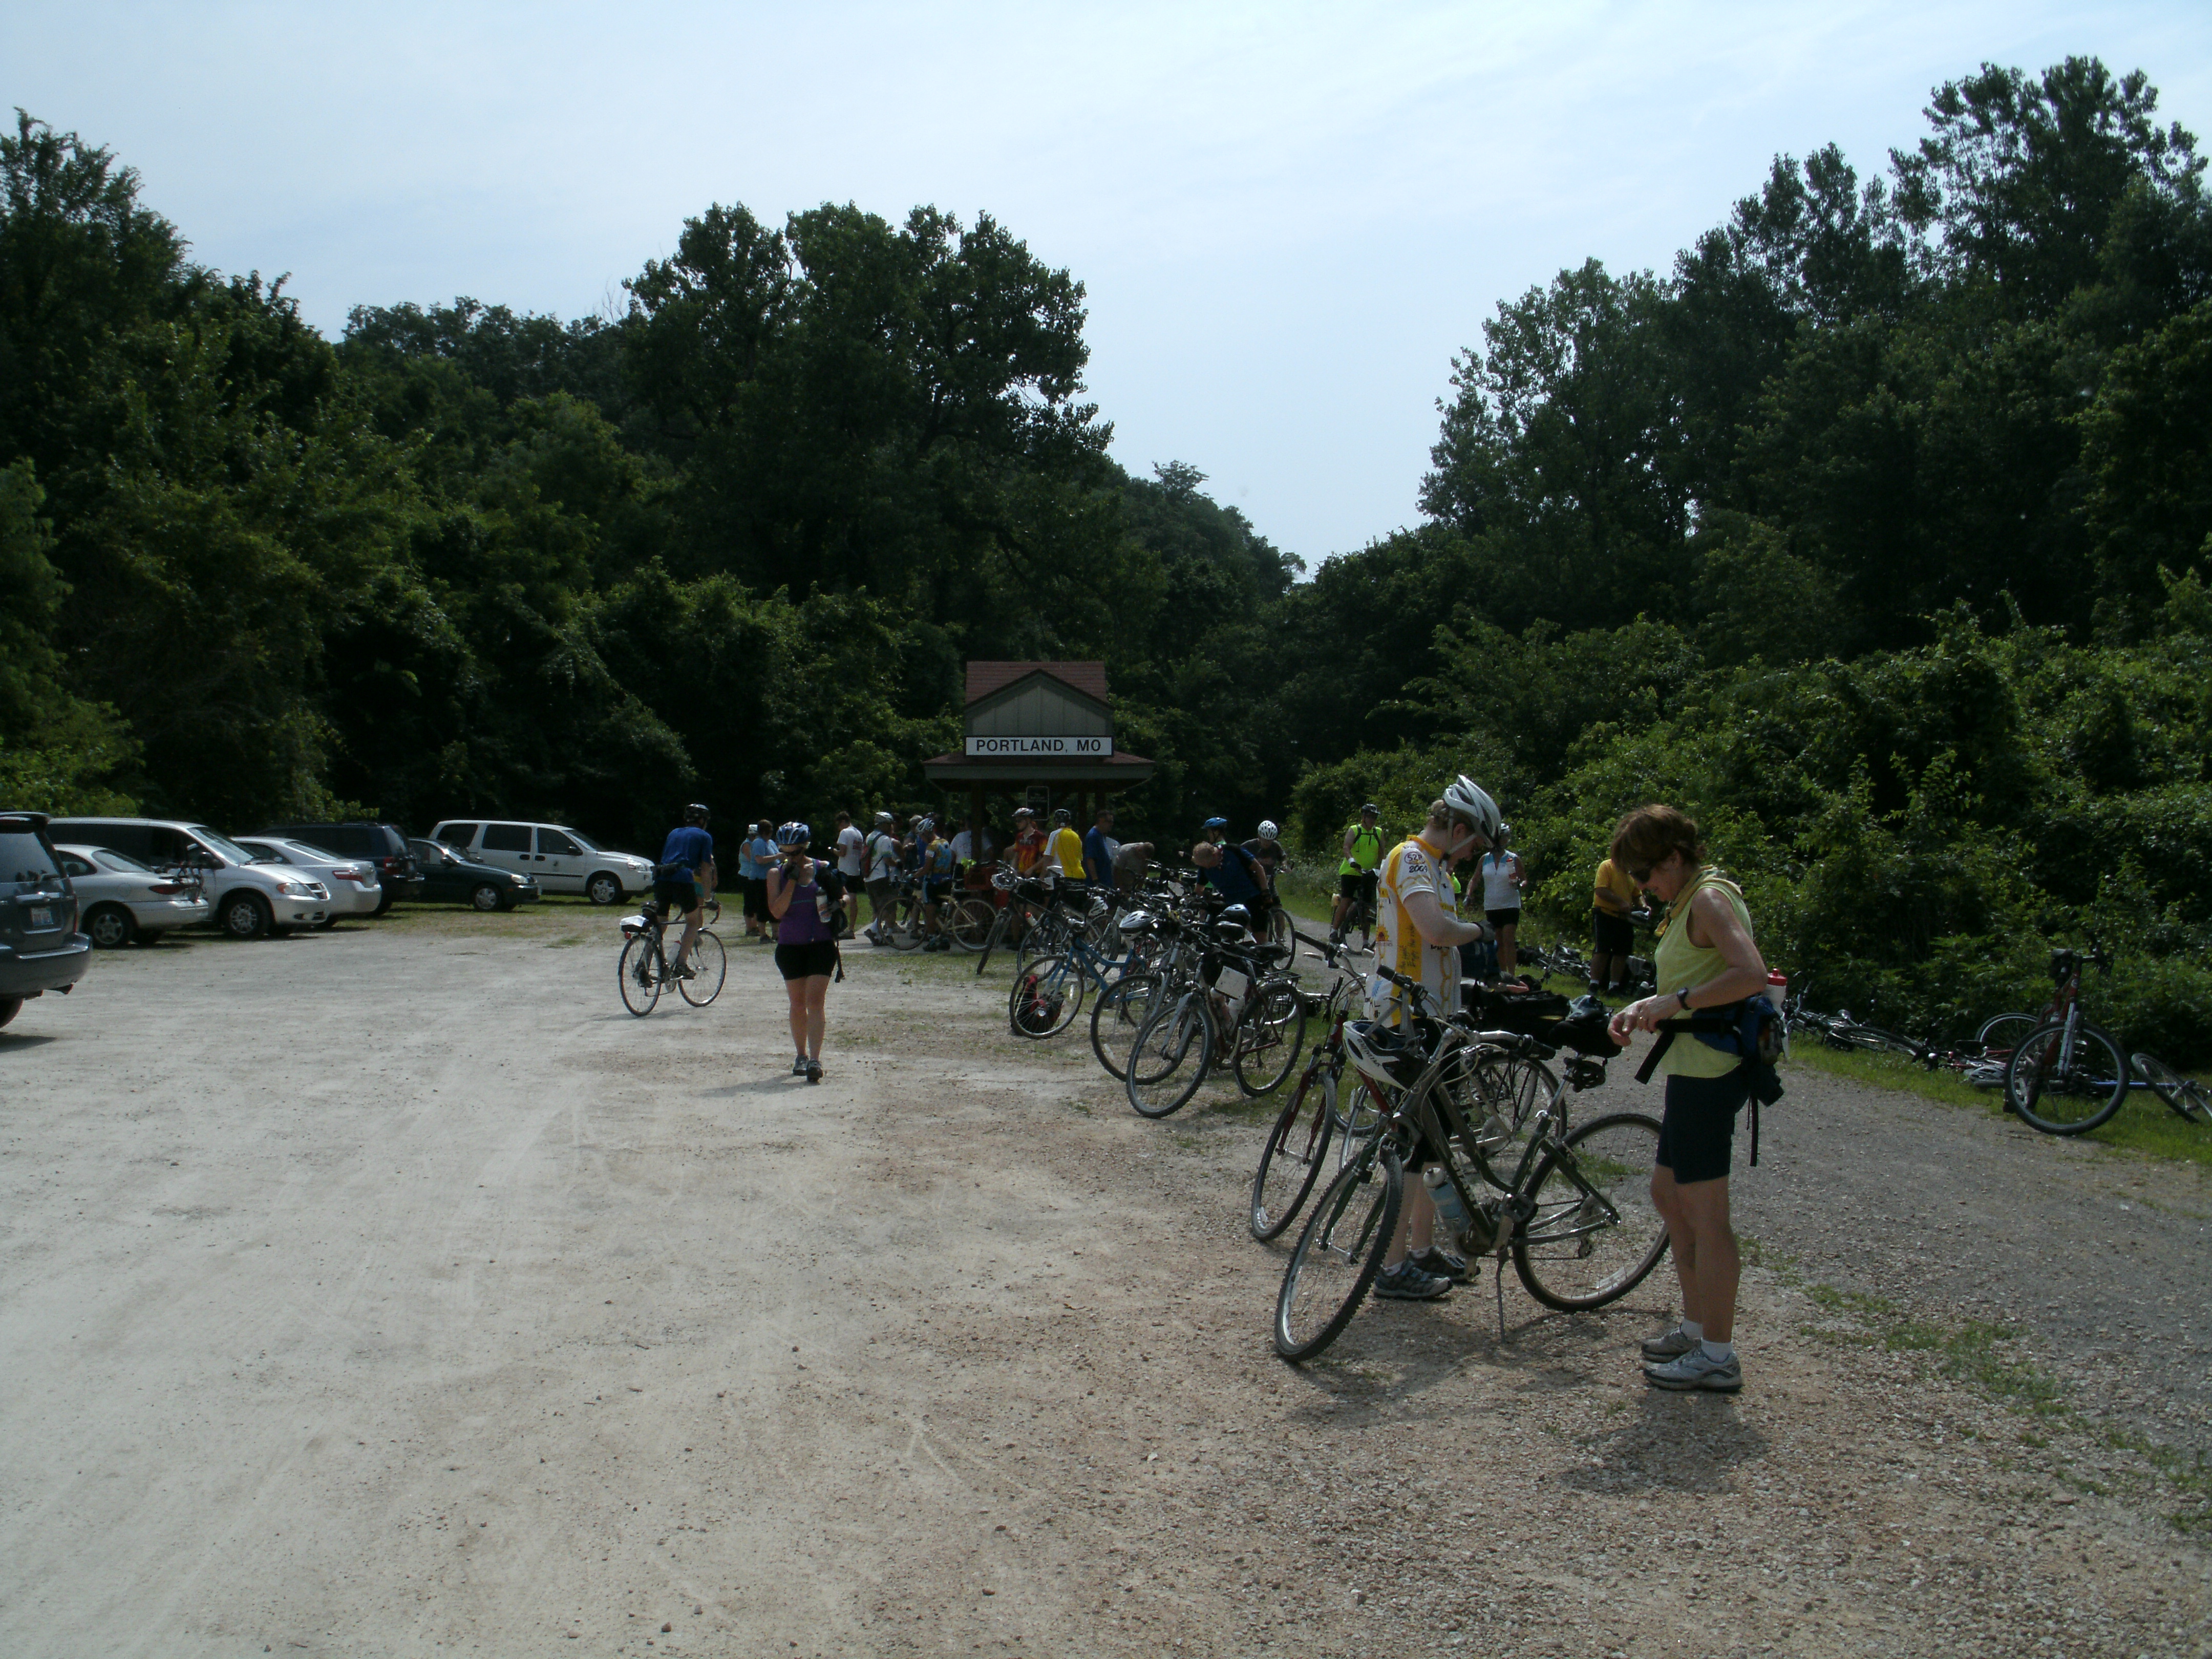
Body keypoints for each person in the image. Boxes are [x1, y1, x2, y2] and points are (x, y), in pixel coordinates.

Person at [1606, 804, 1769, 1394]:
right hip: (1689, 1069)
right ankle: (1698, 1328)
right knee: (1669, 1195)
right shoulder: (1685, 902)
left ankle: (1718, 1355)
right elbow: (1685, 984)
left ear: (1674, 858)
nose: (1643, 887)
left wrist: (1675, 1002)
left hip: (1710, 1072)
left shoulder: (1707, 899)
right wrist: (1644, 1006)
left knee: (1706, 1214)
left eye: (1647, 874)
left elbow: (1750, 972)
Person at [1368, 777, 1500, 1303]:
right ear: (1460, 829)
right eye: (1475, 847)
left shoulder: (1437, 867)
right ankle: (1392, 1265)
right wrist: (1480, 931)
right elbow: (1436, 932)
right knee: (1413, 1147)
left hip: (1434, 1019)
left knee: (1433, 1145)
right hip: (1406, 1018)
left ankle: (1419, 1251)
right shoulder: (1413, 858)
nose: (1473, 858)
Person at [765, 821, 843, 1083]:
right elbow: (776, 912)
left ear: (805, 848)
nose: (791, 858)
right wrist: (792, 881)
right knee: (797, 1003)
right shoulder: (776, 875)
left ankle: (815, 1059)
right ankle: (800, 1055)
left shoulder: (823, 869)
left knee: (815, 1001)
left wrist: (837, 904)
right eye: (785, 852)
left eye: (795, 853)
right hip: (790, 946)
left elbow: (847, 897)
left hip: (820, 944)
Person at [653, 803, 716, 977]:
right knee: (693, 921)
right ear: (703, 820)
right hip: (682, 879)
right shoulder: (704, 836)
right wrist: (708, 897)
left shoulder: (674, 832)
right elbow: (705, 869)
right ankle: (681, 964)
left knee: (660, 921)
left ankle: (645, 959)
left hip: (662, 877)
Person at [1189, 817, 1270, 920]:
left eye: (1209, 832)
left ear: (1216, 832)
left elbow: (1257, 868)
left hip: (1238, 894)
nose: (1208, 835)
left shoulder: (1222, 849)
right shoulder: (1213, 849)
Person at [1478, 822, 1527, 978]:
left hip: (1510, 904)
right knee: (1498, 941)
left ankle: (1512, 974)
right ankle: (1502, 973)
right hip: (1492, 905)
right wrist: (1469, 894)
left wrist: (1520, 884)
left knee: (1508, 938)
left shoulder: (1513, 858)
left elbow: (1524, 879)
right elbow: (1475, 878)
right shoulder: (1485, 859)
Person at [1332, 803, 1385, 945]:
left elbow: (1382, 854)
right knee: (1347, 900)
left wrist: (1382, 869)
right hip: (1351, 871)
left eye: (1375, 817)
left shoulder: (1378, 832)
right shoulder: (1355, 830)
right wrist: (1352, 861)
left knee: (1366, 907)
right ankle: (1334, 931)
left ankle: (1365, 942)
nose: (1373, 820)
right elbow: (1346, 847)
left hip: (1367, 873)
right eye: (1370, 817)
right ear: (1363, 817)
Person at [1591, 849, 1642, 995]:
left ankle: (1614, 986)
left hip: (1625, 918)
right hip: (1605, 914)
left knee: (1622, 953)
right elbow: (1600, 890)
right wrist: (1620, 902)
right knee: (1602, 950)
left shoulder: (1630, 874)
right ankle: (1594, 984)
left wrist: (1644, 906)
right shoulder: (1607, 866)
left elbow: (1637, 894)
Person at [918, 820, 958, 950]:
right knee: (941, 913)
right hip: (946, 881)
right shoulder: (945, 843)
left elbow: (927, 868)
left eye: (922, 836)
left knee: (930, 913)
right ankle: (944, 939)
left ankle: (932, 940)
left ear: (927, 833)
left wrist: (914, 875)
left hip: (933, 882)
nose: (921, 839)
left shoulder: (931, 847)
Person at [863, 811, 900, 944]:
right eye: (890, 825)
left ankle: (880, 937)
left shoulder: (870, 837)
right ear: (884, 825)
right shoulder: (885, 840)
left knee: (877, 909)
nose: (892, 828)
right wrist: (898, 864)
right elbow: (888, 860)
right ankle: (874, 930)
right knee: (888, 907)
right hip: (882, 877)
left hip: (869, 877)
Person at [834, 811, 866, 938]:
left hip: (845, 869)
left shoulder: (845, 832)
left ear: (843, 822)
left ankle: (840, 927)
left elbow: (842, 852)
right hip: (855, 869)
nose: (839, 828)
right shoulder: (858, 834)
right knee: (853, 899)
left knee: (842, 898)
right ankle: (851, 928)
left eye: (839, 825)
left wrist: (833, 851)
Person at [744, 821, 778, 942]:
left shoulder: (771, 843)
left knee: (774, 905)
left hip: (772, 879)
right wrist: (777, 857)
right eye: (770, 831)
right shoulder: (758, 842)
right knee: (763, 906)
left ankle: (776, 933)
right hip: (760, 879)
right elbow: (759, 860)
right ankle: (763, 935)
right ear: (764, 831)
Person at [1082, 805, 1118, 893]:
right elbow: (1090, 859)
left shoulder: (1101, 835)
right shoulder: (1093, 836)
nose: (1111, 825)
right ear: (1101, 821)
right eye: (1109, 822)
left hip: (1106, 883)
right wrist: (1096, 881)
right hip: (1097, 884)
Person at [1046, 808, 1087, 885]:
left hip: (1061, 876)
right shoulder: (1076, 836)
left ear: (1056, 822)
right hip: (1079, 876)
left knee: (1051, 896)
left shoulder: (1055, 834)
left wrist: (1042, 877)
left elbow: (1048, 858)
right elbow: (1080, 859)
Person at [1010, 806, 1046, 876]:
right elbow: (1017, 856)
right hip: (1021, 874)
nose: (1017, 823)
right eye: (1016, 821)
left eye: (1020, 821)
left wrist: (1032, 869)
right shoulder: (1019, 836)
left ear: (1028, 820)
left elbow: (1046, 858)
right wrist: (1012, 870)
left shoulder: (1040, 837)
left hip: (1034, 875)